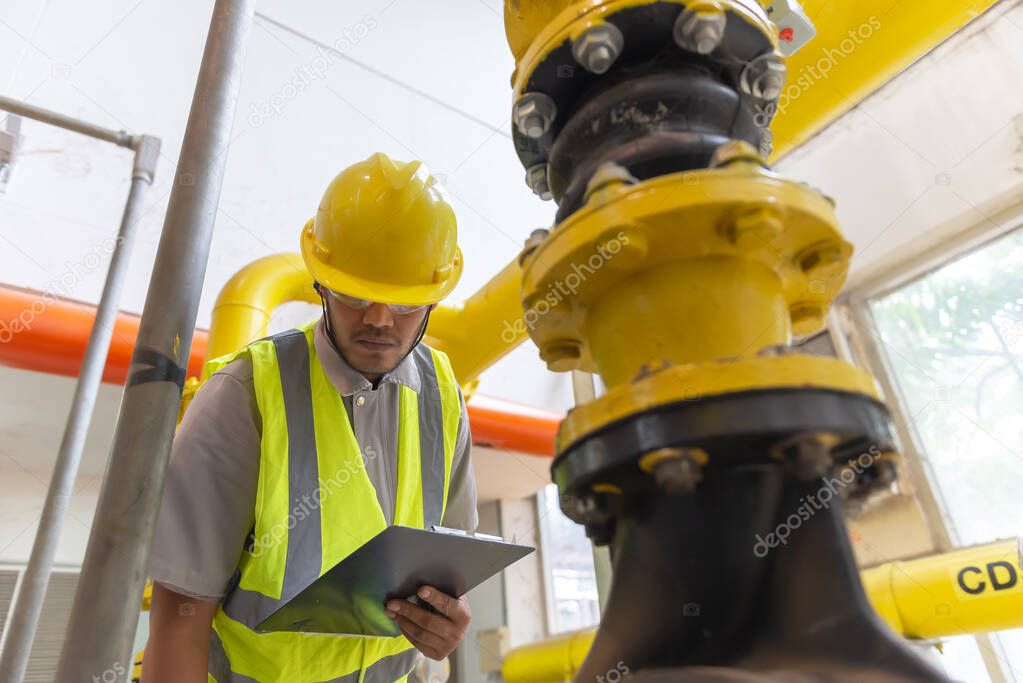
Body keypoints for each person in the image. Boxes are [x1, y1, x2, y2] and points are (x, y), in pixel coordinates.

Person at [142, 152, 477, 682]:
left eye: (404, 303)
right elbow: (178, 625)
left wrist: (443, 627)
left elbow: (447, 586)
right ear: (320, 282)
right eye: (354, 294)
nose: (378, 320)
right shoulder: (246, 395)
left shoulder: (444, 398)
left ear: (435, 298)